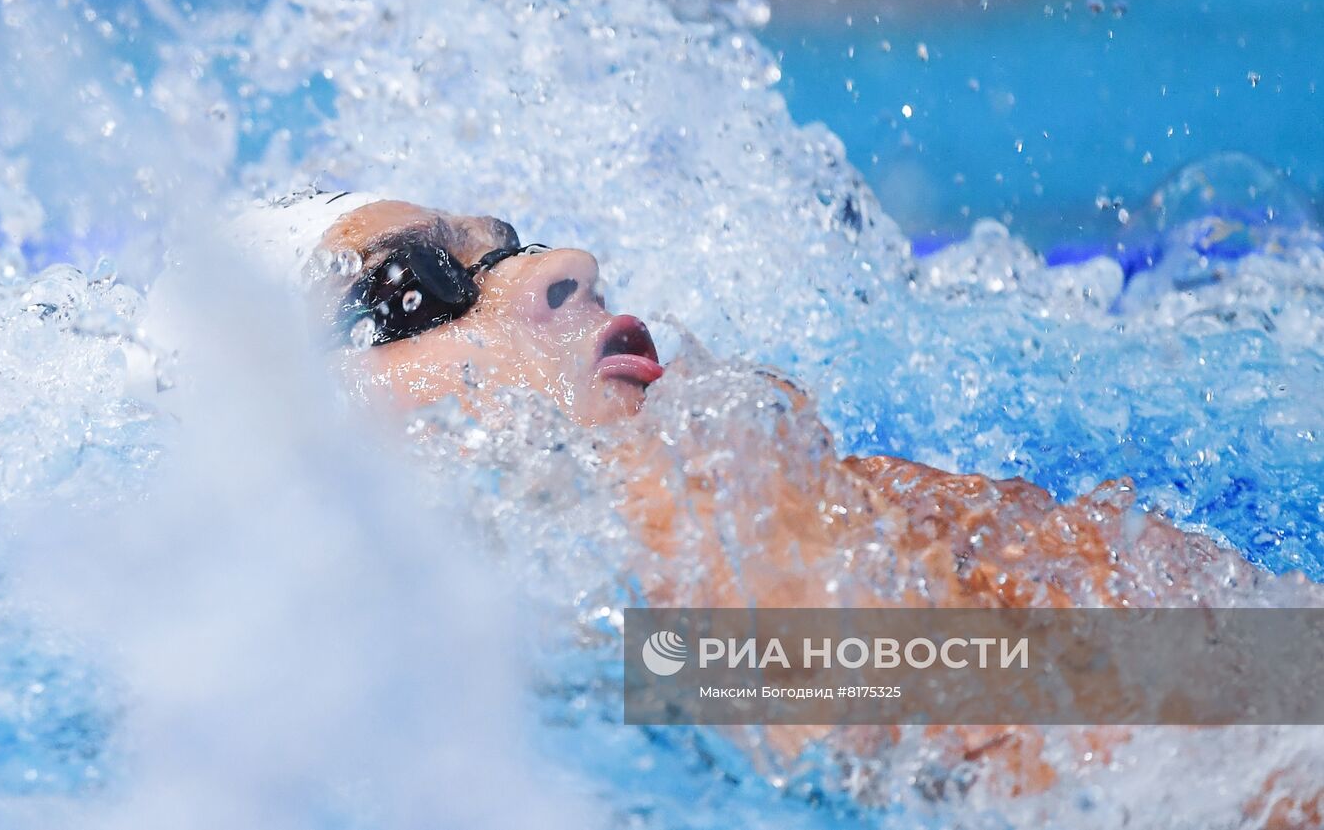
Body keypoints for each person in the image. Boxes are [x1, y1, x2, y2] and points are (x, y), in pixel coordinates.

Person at [260, 192, 1318, 827]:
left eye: (509, 244)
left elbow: (1277, 670)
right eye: (416, 295)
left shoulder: (848, 496)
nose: (560, 264)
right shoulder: (577, 627)